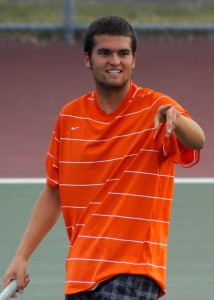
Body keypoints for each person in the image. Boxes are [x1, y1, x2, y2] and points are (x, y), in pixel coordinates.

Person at [3, 16, 205, 300]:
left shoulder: (157, 108)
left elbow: (198, 140)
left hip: (133, 271)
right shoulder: (69, 116)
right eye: (105, 53)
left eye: (123, 53)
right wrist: (21, 256)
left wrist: (178, 120)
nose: (115, 61)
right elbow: (55, 191)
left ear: (134, 60)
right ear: (88, 59)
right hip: (80, 275)